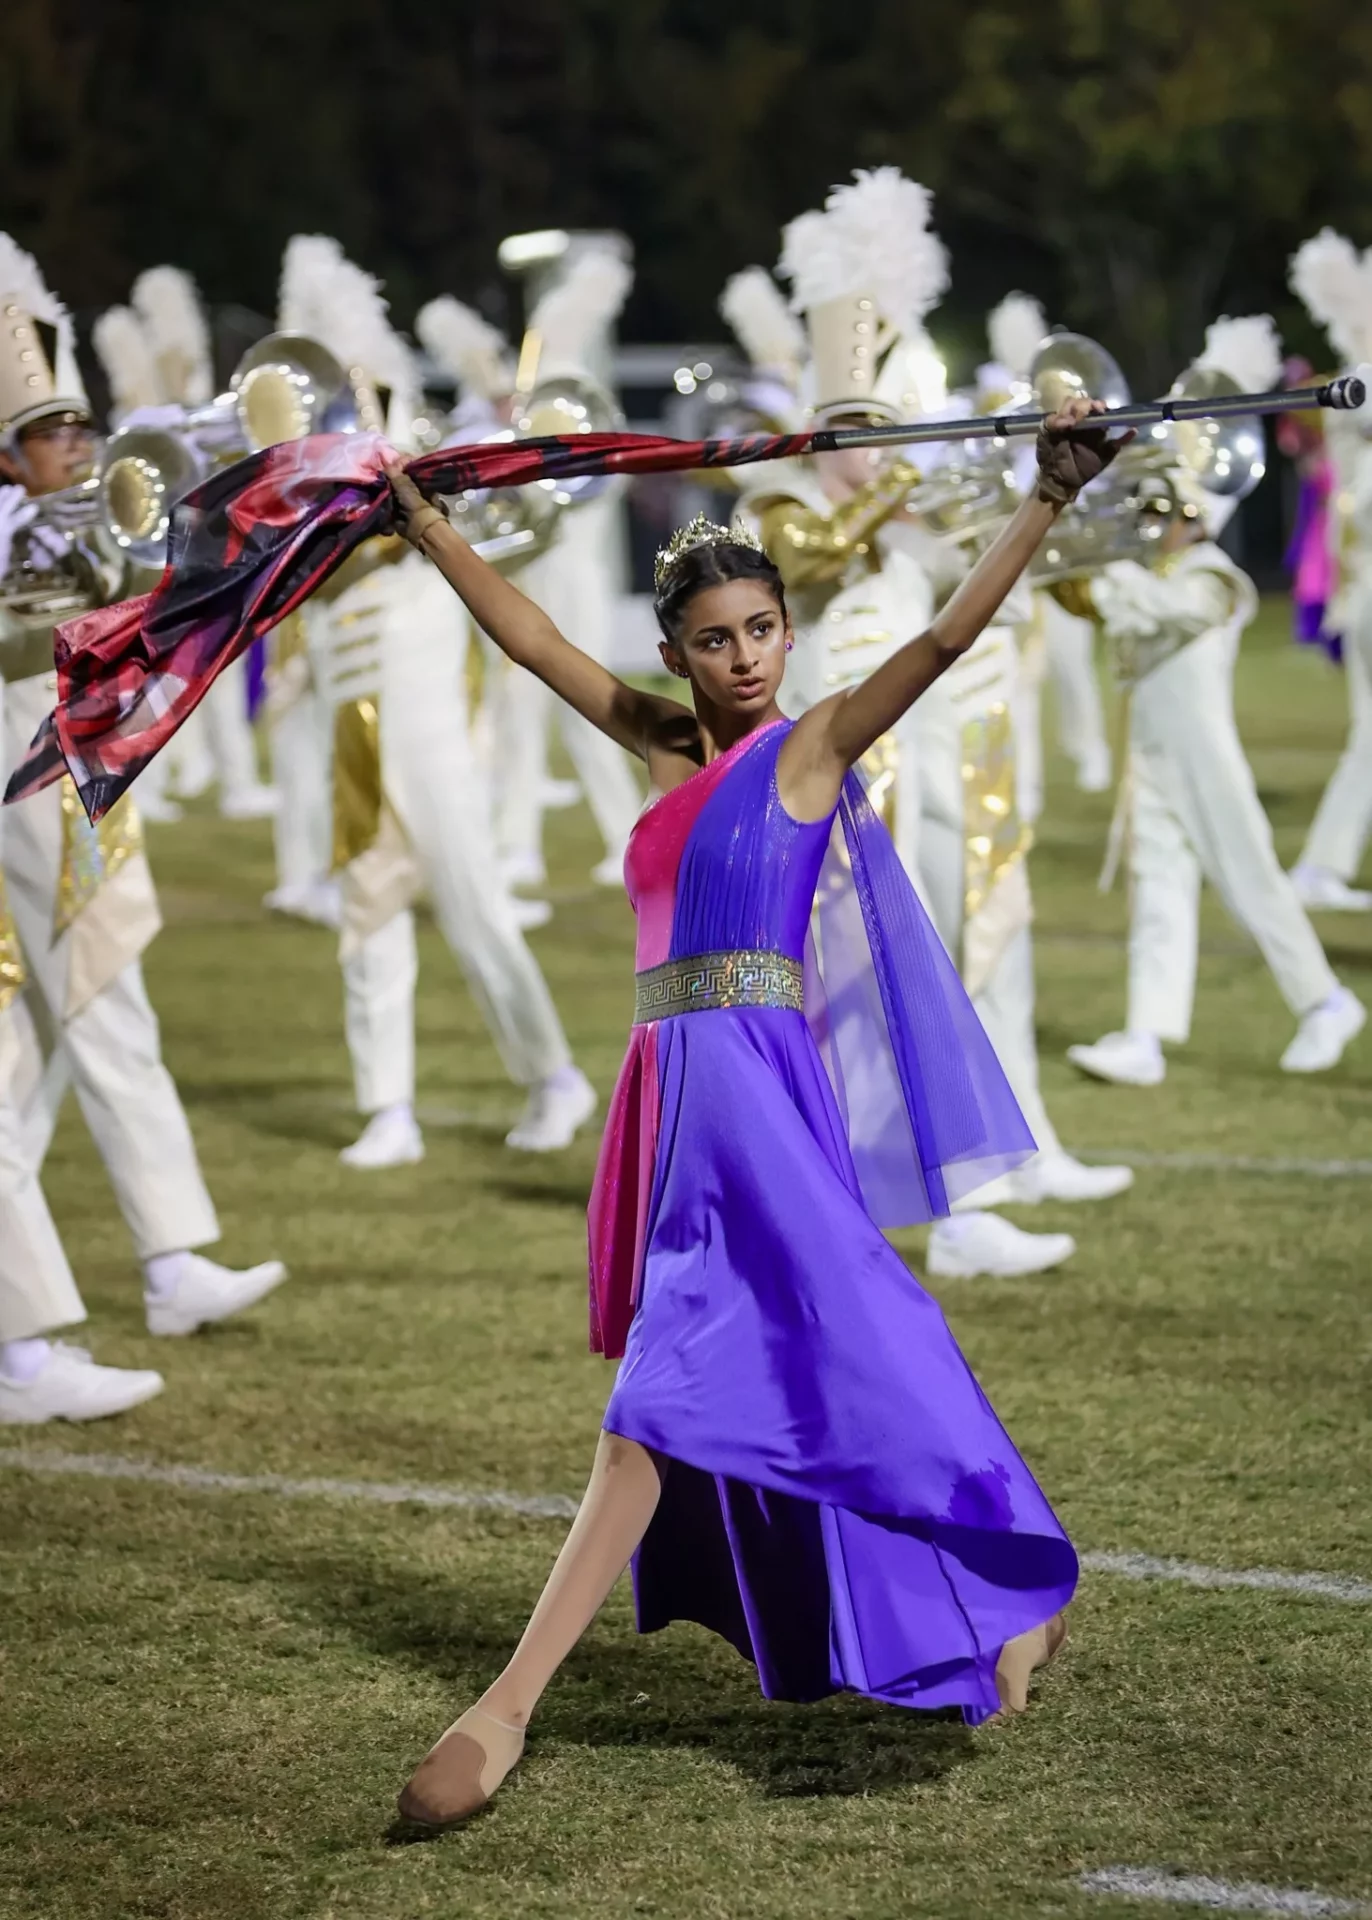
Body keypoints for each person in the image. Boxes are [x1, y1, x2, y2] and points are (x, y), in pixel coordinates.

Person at [381, 390, 1123, 1830]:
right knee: (798, 1361)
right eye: (711, 640)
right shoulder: (661, 745)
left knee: (728, 1377)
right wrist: (421, 523)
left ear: (789, 633)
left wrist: (1044, 496)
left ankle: (508, 1708)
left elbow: (945, 641)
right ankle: (998, 1587)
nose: (738, 657)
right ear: (677, 652)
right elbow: (531, 643)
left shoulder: (812, 749)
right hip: (672, 1097)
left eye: (759, 631)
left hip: (761, 1100)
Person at [0, 236, 286, 1415]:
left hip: (57, 784)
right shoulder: (19, 532)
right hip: (24, 792)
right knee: (99, 1012)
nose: (78, 446)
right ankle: (108, 1296)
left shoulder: (64, 518)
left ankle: (125, 1286)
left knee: (40, 1055)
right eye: (53, 431)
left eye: (80, 428)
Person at [278, 235, 596, 1166]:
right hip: (356, 731)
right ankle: (389, 1108)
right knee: (367, 910)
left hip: (431, 736)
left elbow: (511, 539)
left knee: (475, 908)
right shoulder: (310, 517)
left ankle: (553, 1076)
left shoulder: (428, 496)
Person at [1068, 473, 1365, 1085]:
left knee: (1251, 884)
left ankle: (1326, 1002)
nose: (1147, 526)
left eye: (1158, 513)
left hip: (1205, 758)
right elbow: (1104, 610)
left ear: (1195, 516)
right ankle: (1147, 1035)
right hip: (1150, 758)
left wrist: (1114, 573)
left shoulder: (1214, 576)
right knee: (1157, 889)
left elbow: (1171, 612)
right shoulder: (1152, 574)